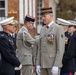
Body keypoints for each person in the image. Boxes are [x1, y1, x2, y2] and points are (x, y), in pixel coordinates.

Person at [36, 7, 65, 75]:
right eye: (42, 16)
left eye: (44, 16)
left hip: (52, 64)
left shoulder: (58, 29)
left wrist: (56, 65)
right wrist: (38, 64)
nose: (42, 18)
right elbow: (40, 48)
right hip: (43, 64)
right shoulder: (42, 29)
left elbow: (60, 49)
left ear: (50, 16)